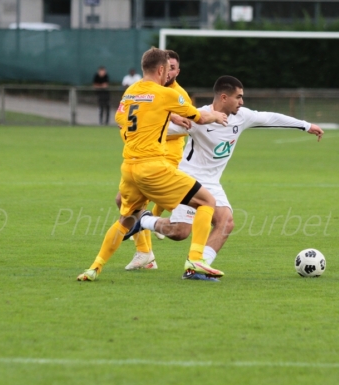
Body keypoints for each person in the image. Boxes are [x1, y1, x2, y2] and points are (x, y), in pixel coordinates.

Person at [124, 75, 324, 274]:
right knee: (180, 232)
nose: (242, 101)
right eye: (238, 97)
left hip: (212, 182)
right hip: (189, 179)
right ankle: (143, 221)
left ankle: (198, 267)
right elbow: (157, 130)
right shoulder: (198, 116)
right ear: (223, 97)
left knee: (225, 222)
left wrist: (306, 126)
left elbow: (270, 117)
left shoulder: (242, 116)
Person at [76, 48, 229, 282]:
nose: (168, 73)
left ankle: (94, 267)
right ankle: (196, 260)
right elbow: (199, 118)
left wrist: (167, 117)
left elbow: (120, 119)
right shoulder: (166, 94)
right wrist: (217, 116)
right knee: (207, 201)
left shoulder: (130, 92)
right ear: (160, 69)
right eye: (167, 69)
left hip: (129, 167)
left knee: (126, 218)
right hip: (154, 166)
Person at [122, 49, 193, 270]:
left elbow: (189, 128)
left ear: (176, 71)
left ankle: (148, 243)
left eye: (173, 68)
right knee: (123, 202)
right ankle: (145, 252)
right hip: (144, 157)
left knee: (130, 205)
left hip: (168, 157)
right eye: (166, 67)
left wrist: (152, 130)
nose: (168, 72)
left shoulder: (178, 94)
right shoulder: (144, 92)